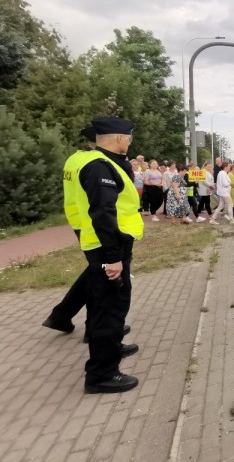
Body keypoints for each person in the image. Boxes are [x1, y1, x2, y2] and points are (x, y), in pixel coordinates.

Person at [43, 125, 131, 345]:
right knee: (104, 282)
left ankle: (64, 315)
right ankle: (95, 330)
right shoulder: (97, 164)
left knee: (96, 275)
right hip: (101, 228)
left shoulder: (75, 159)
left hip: (83, 224)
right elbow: (104, 205)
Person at [74, 116, 142, 394]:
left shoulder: (100, 163)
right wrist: (113, 256)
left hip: (104, 245)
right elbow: (103, 212)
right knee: (109, 309)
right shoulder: (99, 167)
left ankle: (111, 352)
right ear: (117, 138)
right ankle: (102, 374)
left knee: (109, 306)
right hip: (107, 248)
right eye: (127, 137)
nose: (129, 141)